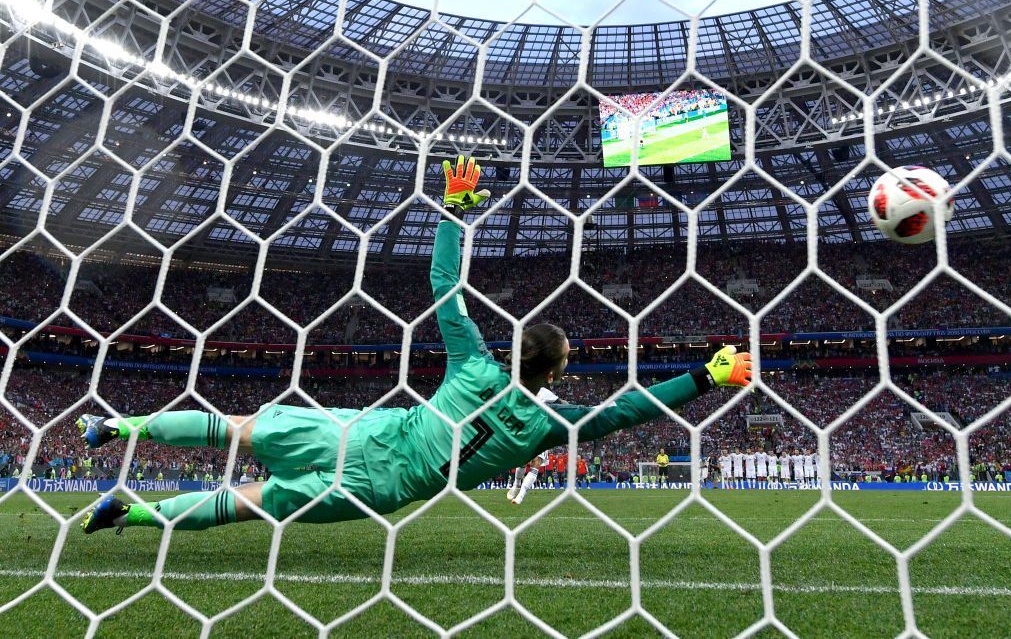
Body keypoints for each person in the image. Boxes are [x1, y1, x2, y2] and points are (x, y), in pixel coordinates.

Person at [77, 155, 752, 534]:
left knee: (239, 430)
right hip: (385, 484)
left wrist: (455, 214)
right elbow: (627, 410)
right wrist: (705, 375)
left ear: (520, 348)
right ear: (556, 369)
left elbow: (443, 286)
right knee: (253, 499)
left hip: (371, 432)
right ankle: (133, 511)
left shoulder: (473, 360)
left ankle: (119, 423)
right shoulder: (552, 423)